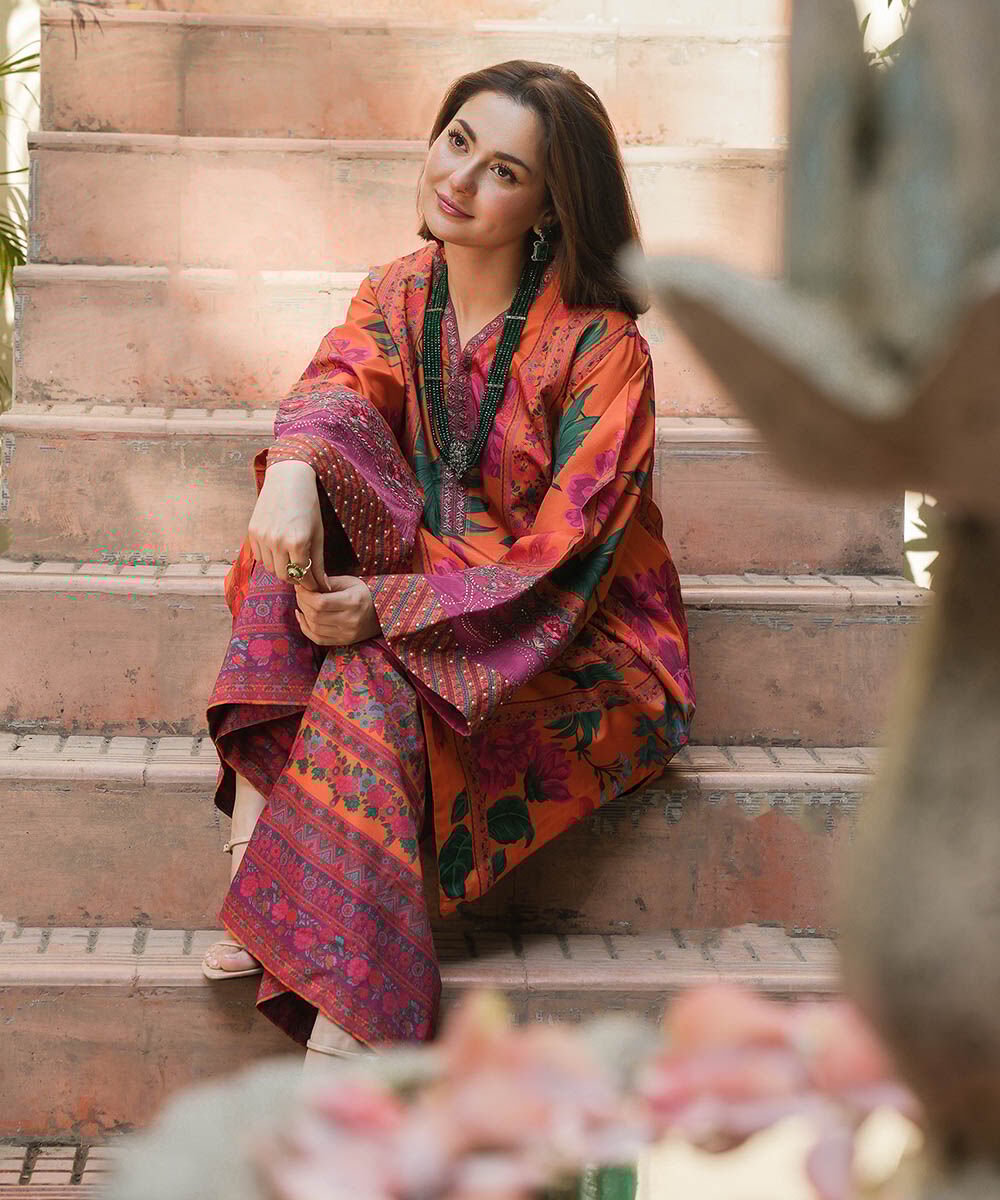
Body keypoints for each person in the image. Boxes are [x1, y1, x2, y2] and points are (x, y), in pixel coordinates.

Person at [202, 59, 696, 1064]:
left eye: (503, 170)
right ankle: (262, 867)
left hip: (570, 638)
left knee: (374, 671)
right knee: (307, 487)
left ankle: (341, 1033)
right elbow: (337, 384)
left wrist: (387, 609)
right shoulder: (397, 290)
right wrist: (290, 472)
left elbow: (570, 556)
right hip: (426, 577)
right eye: (458, 141)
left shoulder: (603, 346)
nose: (460, 180)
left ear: (550, 205)